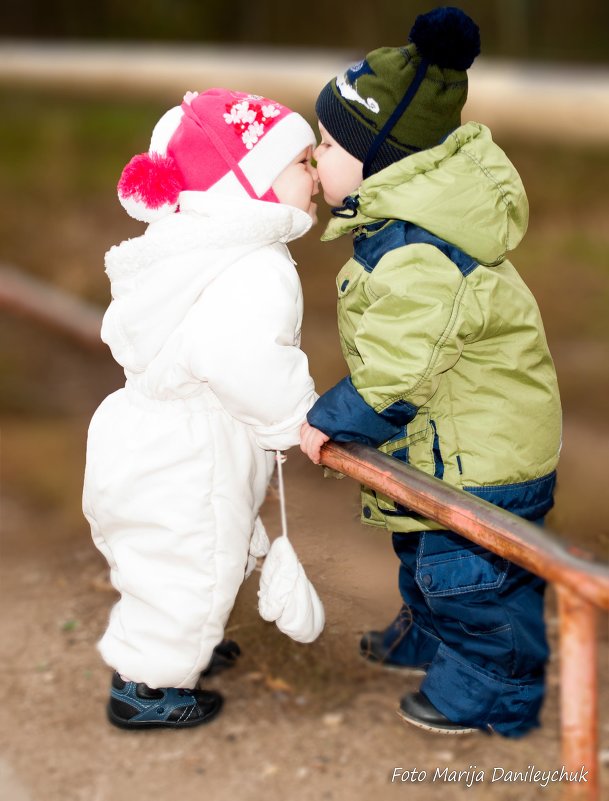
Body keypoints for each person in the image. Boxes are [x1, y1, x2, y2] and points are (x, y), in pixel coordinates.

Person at [300, 6, 562, 737]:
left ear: (378, 156)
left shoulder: (418, 248)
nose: (316, 158)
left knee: (473, 577)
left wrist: (326, 421)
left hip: (484, 453)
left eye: (326, 143)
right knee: (423, 545)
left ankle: (495, 686)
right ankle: (433, 633)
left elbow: (397, 373)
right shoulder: (399, 225)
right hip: (454, 435)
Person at [83, 88, 320, 729]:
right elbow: (242, 357)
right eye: (301, 162)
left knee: (182, 553)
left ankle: (183, 644)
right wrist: (295, 416)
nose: (317, 173)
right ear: (250, 182)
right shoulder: (255, 266)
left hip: (139, 429)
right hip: (193, 450)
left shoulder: (186, 246)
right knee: (193, 562)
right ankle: (146, 688)